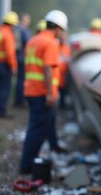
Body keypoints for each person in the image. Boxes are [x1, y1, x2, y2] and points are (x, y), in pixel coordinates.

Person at [19, 10, 68, 174]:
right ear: (57, 28)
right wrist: (50, 93)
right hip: (42, 93)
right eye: (62, 29)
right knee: (37, 130)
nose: (61, 33)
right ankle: (27, 165)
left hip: (31, 89)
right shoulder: (51, 43)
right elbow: (48, 68)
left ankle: (28, 161)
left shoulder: (34, 40)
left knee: (36, 127)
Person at [0, 11, 19, 118]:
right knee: (4, 88)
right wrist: (13, 66)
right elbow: (10, 53)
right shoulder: (8, 34)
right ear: (12, 24)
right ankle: (1, 111)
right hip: (3, 65)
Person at [13, 12, 32, 107]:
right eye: (27, 20)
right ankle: (19, 101)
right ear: (22, 20)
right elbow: (29, 43)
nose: (28, 22)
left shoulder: (15, 29)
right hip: (23, 58)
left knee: (19, 80)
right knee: (21, 80)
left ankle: (17, 99)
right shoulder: (24, 31)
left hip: (17, 57)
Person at [58, 32, 71, 109]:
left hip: (64, 73)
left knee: (63, 90)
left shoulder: (67, 48)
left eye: (64, 37)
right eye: (61, 37)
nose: (63, 39)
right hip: (56, 74)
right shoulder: (55, 47)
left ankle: (62, 104)